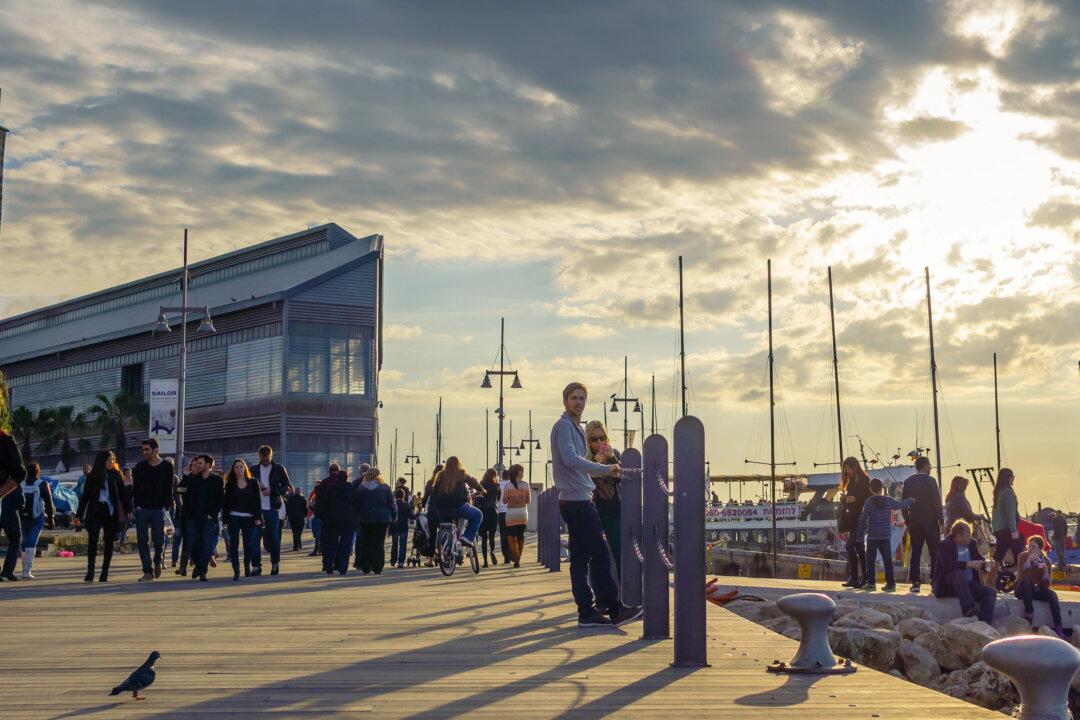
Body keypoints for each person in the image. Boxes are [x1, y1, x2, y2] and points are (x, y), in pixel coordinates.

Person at [552, 382, 641, 628]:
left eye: (581, 398)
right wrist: (606, 468)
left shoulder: (574, 428)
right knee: (600, 553)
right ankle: (614, 608)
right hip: (577, 501)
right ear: (565, 401)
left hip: (576, 499)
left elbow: (576, 463)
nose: (578, 403)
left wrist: (604, 468)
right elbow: (571, 460)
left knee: (580, 558)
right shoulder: (563, 427)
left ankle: (587, 612)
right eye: (573, 398)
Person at [76, 450, 132, 582]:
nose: (111, 462)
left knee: (109, 541)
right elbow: (85, 498)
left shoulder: (116, 475)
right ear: (102, 461)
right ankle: (90, 570)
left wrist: (129, 509)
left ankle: (105, 571)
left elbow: (123, 495)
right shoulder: (92, 476)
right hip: (95, 510)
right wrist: (78, 515)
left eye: (112, 460)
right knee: (93, 540)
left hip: (110, 511)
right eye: (108, 460)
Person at [857, 477, 914, 592]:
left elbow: (862, 520)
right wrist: (910, 500)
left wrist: (859, 537)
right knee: (887, 560)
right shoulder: (888, 501)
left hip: (873, 536)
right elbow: (901, 505)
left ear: (871, 489)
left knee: (870, 560)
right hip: (885, 536)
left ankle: (871, 583)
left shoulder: (868, 502)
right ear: (882, 488)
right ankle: (891, 584)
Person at [177, 454, 224, 582]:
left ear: (208, 465)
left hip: (208, 518)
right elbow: (179, 490)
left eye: (200, 463)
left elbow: (221, 499)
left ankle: (202, 571)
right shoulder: (192, 478)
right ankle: (198, 566)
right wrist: (186, 476)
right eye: (196, 463)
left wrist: (212, 514)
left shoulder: (217, 480)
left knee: (205, 544)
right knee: (192, 543)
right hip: (192, 517)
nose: (197, 465)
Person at [132, 439, 174, 582]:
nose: (144, 453)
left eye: (147, 450)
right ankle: (147, 571)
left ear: (156, 450)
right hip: (142, 509)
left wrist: (166, 506)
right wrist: (136, 505)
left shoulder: (167, 466)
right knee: (142, 540)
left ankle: (158, 560)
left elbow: (169, 488)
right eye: (143, 450)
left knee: (158, 540)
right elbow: (135, 488)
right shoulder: (140, 466)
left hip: (159, 509)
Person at [901, 456, 944, 593]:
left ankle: (915, 582)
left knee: (916, 551)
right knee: (934, 551)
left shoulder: (908, 481)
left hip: (914, 520)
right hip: (930, 521)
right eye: (930, 465)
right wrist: (941, 521)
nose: (931, 467)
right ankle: (934, 580)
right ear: (925, 466)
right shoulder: (931, 481)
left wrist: (907, 521)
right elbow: (937, 503)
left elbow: (904, 503)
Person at [586, 420, 622, 580]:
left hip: (614, 510)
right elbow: (583, 481)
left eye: (602, 437)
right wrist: (596, 464)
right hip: (591, 511)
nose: (600, 442)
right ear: (588, 441)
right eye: (594, 439)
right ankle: (600, 596)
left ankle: (626, 594)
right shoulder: (584, 459)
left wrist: (613, 460)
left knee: (619, 552)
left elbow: (625, 479)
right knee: (596, 555)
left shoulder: (614, 454)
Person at [252, 445, 292, 576]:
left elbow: (287, 486)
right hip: (257, 509)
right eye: (263, 458)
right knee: (255, 538)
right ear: (259, 457)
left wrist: (273, 490)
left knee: (274, 538)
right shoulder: (253, 470)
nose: (266, 461)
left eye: (268, 458)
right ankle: (256, 566)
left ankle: (275, 564)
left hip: (273, 508)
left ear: (271, 456)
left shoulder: (279, 469)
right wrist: (257, 486)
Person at [430, 457, 484, 552]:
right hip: (458, 506)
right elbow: (473, 483)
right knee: (478, 515)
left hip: (442, 508)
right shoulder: (461, 473)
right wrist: (482, 490)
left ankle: (445, 554)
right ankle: (467, 537)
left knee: (446, 527)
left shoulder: (440, 475)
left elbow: (434, 492)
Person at [1014, 535, 1064, 635]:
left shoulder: (1047, 562)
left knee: (1052, 594)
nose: (1030, 549)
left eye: (1033, 547)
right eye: (1029, 546)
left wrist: (1044, 572)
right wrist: (1029, 562)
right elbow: (1021, 576)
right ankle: (1029, 612)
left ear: (1041, 549)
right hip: (1022, 589)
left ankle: (1058, 626)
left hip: (1036, 590)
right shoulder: (1022, 556)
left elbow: (1046, 586)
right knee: (1026, 581)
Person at [223, 458, 262, 581]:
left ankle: (247, 565)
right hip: (233, 516)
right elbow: (226, 502)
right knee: (234, 544)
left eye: (241, 466)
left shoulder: (253, 482)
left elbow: (257, 501)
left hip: (249, 518)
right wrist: (225, 518)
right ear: (233, 470)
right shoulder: (230, 483)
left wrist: (258, 517)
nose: (239, 469)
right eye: (236, 467)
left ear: (245, 468)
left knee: (248, 544)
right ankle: (236, 569)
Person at [318, 469, 360, 575]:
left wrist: (325, 518)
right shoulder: (352, 488)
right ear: (346, 478)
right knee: (345, 545)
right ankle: (342, 568)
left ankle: (329, 567)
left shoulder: (331, 489)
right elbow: (357, 504)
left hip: (333, 520)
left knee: (331, 544)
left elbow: (324, 504)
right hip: (348, 521)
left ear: (337, 478)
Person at [838, 456, 871, 589]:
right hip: (851, 518)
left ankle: (856, 577)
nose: (848, 471)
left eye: (849, 468)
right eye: (846, 469)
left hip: (861, 517)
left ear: (855, 466)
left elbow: (868, 497)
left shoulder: (865, 479)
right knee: (859, 548)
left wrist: (854, 498)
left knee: (849, 546)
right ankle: (860, 578)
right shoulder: (849, 481)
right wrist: (845, 498)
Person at [18, 462, 55, 579]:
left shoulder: (21, 484)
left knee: (24, 542)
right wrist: (51, 519)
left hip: (23, 518)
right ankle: (26, 571)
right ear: (38, 471)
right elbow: (49, 503)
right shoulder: (43, 484)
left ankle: (25, 570)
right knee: (31, 542)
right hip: (37, 517)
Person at [356, 468, 396, 574]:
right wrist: (394, 516)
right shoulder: (385, 488)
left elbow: (357, 503)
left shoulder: (361, 488)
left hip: (365, 519)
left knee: (366, 543)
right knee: (379, 543)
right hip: (382, 519)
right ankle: (378, 567)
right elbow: (391, 504)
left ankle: (366, 566)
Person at [991, 467, 1024, 568]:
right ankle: (1020, 576)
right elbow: (1010, 513)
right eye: (1013, 477)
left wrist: (994, 529)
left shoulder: (998, 492)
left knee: (999, 555)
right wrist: (1013, 531)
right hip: (1007, 530)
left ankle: (991, 578)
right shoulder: (1008, 492)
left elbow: (994, 513)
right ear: (1009, 478)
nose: (1013, 479)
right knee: (1020, 551)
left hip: (999, 530)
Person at [502, 464, 531, 567]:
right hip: (522, 513)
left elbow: (504, 501)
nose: (523, 473)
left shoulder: (508, 485)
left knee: (510, 536)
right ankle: (518, 558)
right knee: (520, 536)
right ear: (518, 473)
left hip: (511, 514)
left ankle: (516, 555)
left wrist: (512, 498)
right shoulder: (526, 485)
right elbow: (528, 501)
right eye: (522, 472)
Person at [308, 464, 338, 557]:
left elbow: (319, 501)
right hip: (339, 515)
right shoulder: (344, 483)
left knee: (323, 536)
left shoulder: (324, 483)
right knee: (336, 537)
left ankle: (326, 562)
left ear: (329, 472)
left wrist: (317, 511)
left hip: (324, 515)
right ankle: (336, 559)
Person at [477, 469, 501, 567]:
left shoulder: (481, 484)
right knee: (491, 536)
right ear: (494, 476)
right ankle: (492, 551)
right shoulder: (496, 485)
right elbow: (498, 499)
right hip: (493, 512)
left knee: (483, 538)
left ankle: (485, 561)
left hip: (483, 512)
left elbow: (478, 497)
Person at [389, 487, 414, 568]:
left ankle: (393, 560)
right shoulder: (406, 504)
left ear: (395, 495)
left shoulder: (393, 504)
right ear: (403, 496)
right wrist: (418, 513)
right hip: (403, 527)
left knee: (394, 544)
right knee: (403, 545)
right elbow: (411, 516)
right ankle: (400, 562)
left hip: (394, 527)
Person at [285, 487, 308, 552]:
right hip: (300, 518)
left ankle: (296, 545)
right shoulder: (303, 499)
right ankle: (298, 545)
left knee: (294, 532)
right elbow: (306, 509)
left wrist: (287, 516)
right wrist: (304, 516)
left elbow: (287, 508)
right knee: (299, 532)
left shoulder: (290, 499)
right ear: (300, 492)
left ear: (295, 492)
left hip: (292, 518)